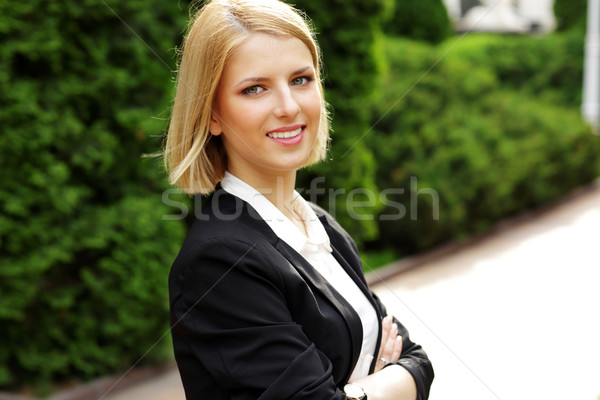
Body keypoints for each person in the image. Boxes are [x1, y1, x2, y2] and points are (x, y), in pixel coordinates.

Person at [164, 0, 434, 399]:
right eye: (254, 89)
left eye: (301, 79)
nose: (288, 107)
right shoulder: (219, 261)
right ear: (212, 114)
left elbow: (417, 360)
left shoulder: (319, 225)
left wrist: (354, 390)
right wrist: (376, 381)